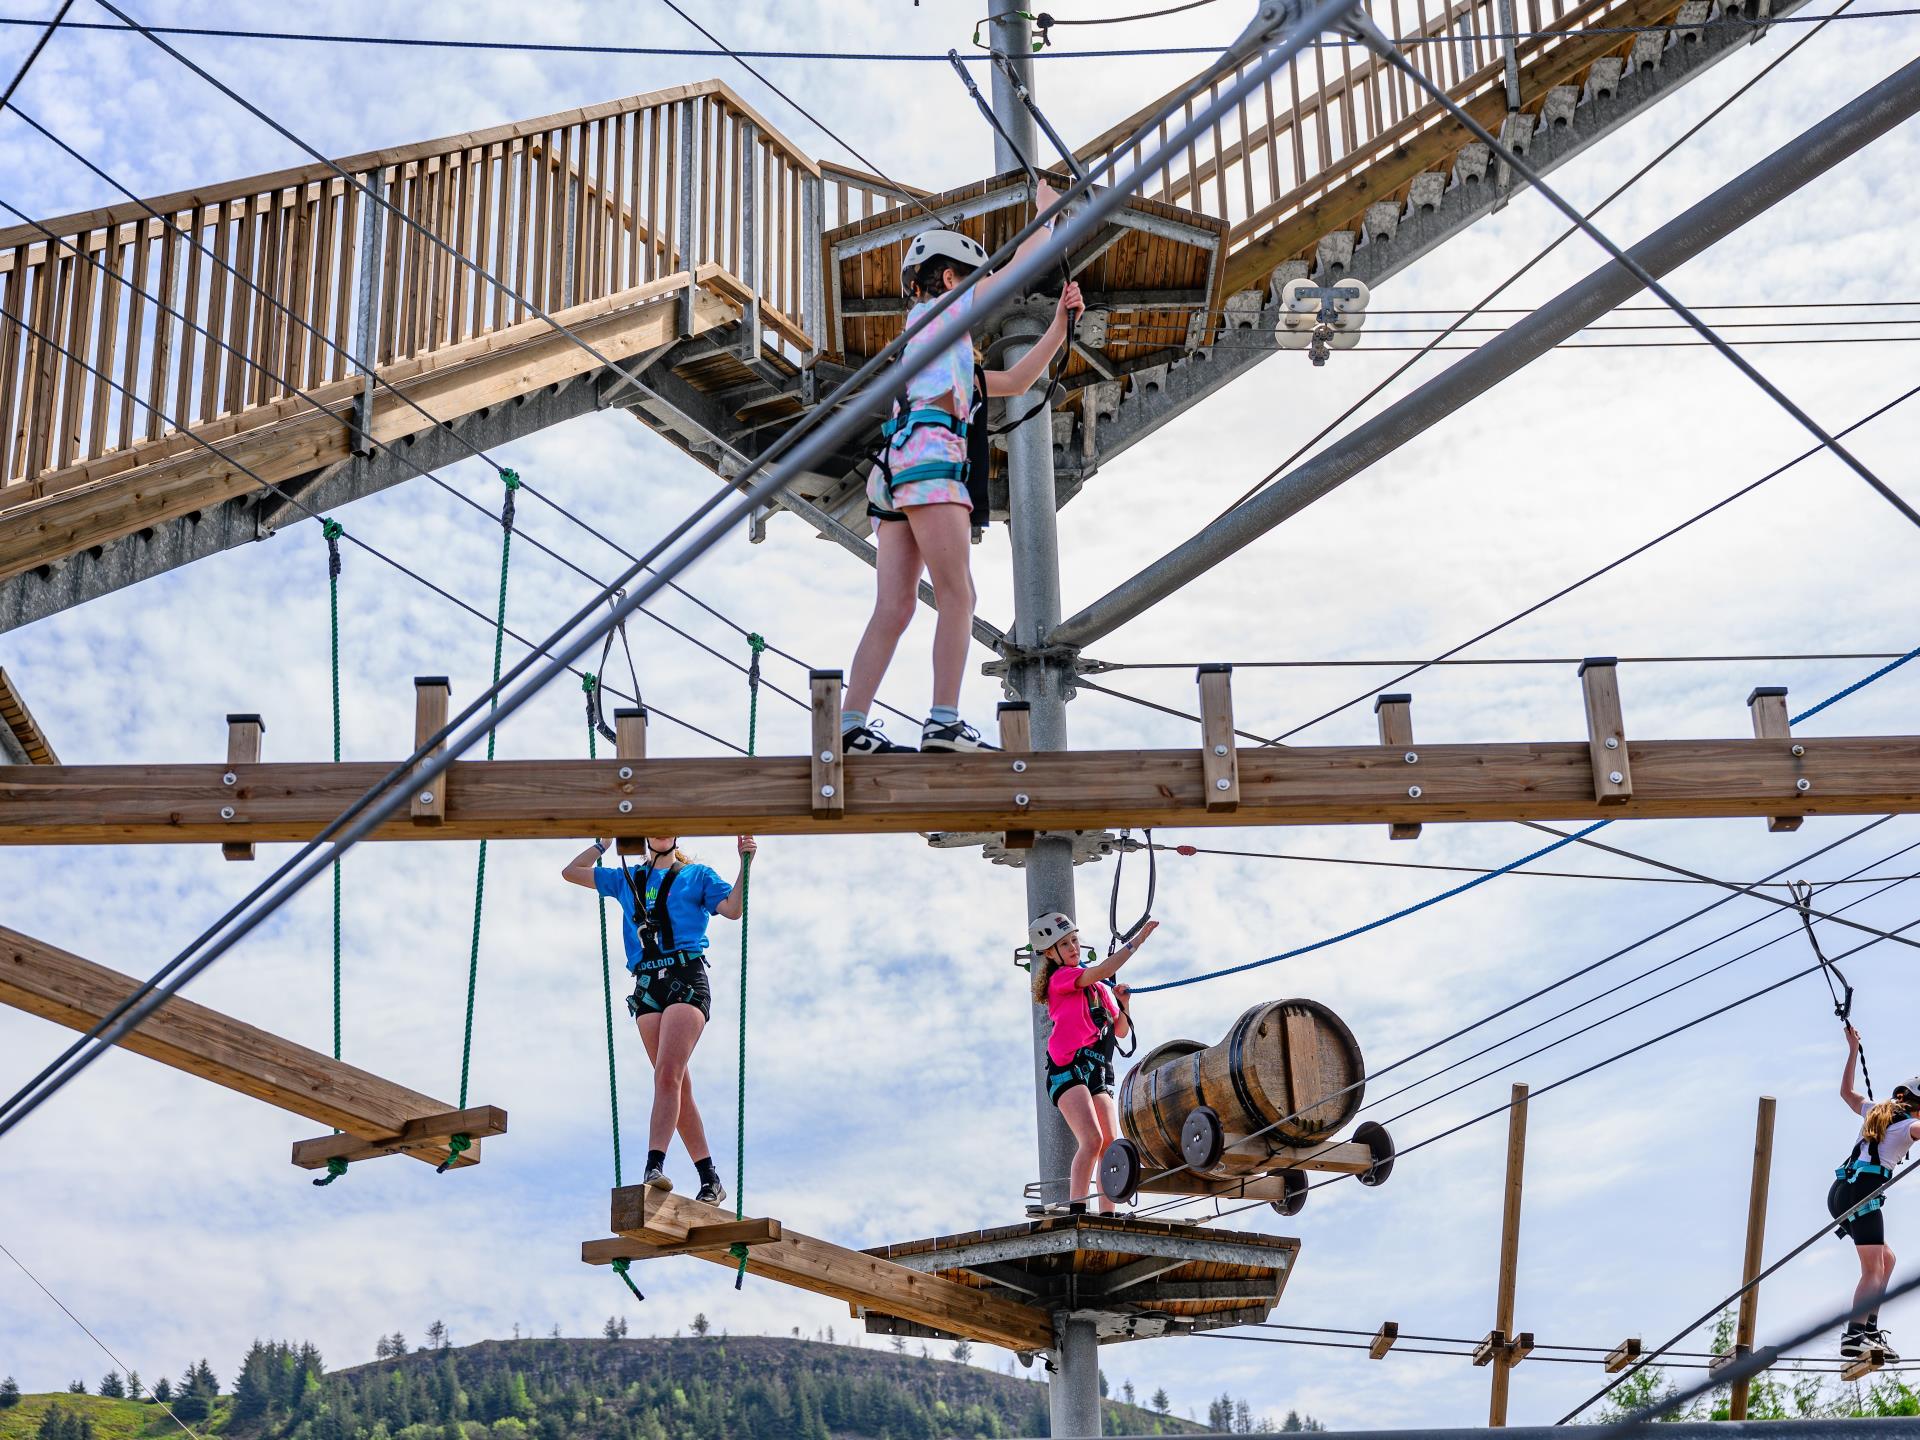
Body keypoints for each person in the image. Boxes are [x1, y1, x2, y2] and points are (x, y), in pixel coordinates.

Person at [840, 178, 1084, 756]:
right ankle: (943, 722)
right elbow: (1022, 265)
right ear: (950, 280)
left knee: (896, 605)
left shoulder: (938, 357)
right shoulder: (943, 312)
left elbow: (1019, 381)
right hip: (929, 461)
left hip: (896, 472)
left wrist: (1058, 328)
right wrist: (1046, 215)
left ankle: (848, 726)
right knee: (959, 596)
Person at [562, 834, 756, 1201]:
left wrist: (746, 864)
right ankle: (709, 1177)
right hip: (648, 984)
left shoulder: (697, 875)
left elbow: (732, 908)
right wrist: (603, 843)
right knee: (676, 1084)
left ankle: (654, 1164)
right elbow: (572, 872)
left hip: (686, 978)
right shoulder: (627, 878)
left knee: (668, 1074)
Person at [1029, 910, 1157, 1214]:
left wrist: (1123, 1003)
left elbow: (1120, 1032)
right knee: (1092, 1139)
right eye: (1065, 944)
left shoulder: (1099, 990)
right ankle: (1077, 1210)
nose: (1074, 947)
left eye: (1075, 940)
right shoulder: (1061, 979)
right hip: (1067, 1070)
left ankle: (1108, 1213)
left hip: (1097, 1070)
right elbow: (1100, 971)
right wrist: (1136, 942)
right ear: (1051, 953)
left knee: (1110, 1144)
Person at [1830, 1023, 1919, 1359]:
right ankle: (1854, 1336)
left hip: (1841, 1191)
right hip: (1862, 1194)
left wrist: (1853, 1051)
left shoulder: (1875, 1112)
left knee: (1886, 1259)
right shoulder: (1909, 1125)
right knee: (1874, 1270)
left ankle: (1868, 1330)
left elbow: (1847, 1094)